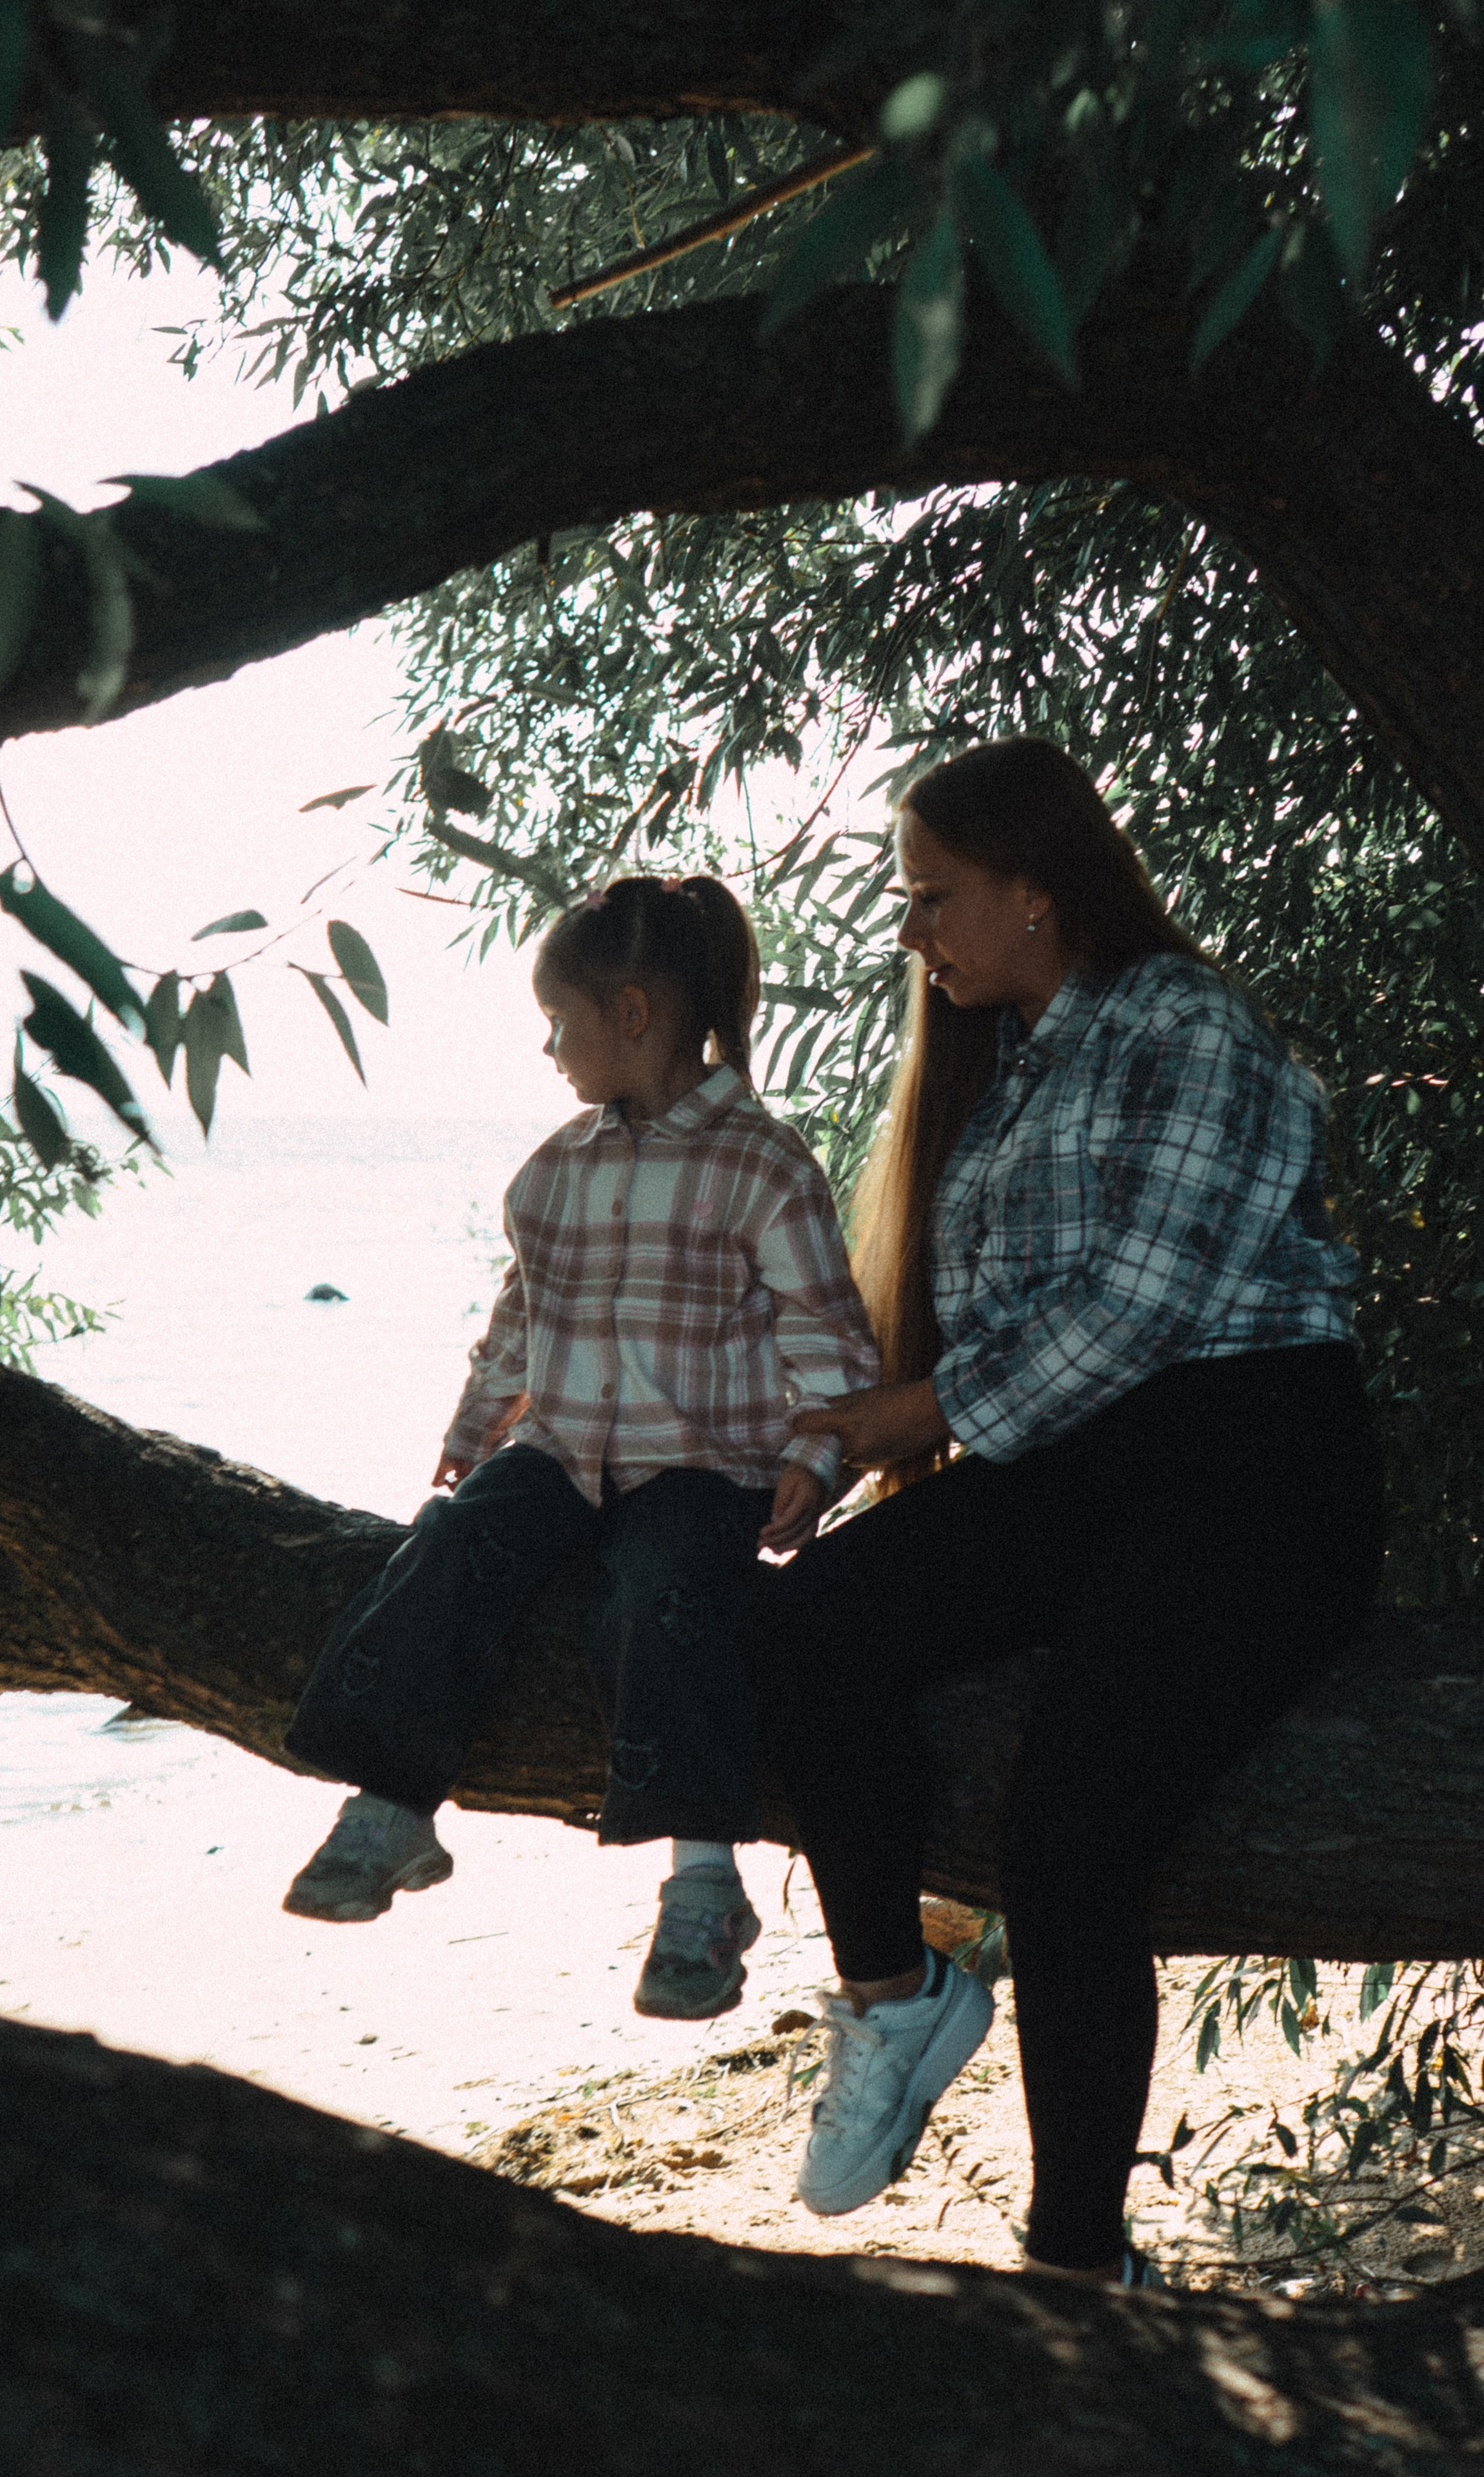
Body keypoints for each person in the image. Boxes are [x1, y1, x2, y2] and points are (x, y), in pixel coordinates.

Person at [756, 737, 1383, 2284]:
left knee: (1071, 1822)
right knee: (804, 1625)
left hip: (1251, 1462)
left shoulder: (1190, 1027)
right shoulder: (1019, 1052)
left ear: (1035, 891)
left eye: (933, 898)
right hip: (1070, 1458)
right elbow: (981, 1337)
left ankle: (1077, 2258)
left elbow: (1142, 1300)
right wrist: (839, 1444)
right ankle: (898, 2000)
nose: (913, 933)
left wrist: (936, 1415)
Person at [281, 873, 880, 2020]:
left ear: (635, 1013)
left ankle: (704, 1882)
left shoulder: (762, 1165)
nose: (550, 1048)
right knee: (453, 1546)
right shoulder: (556, 1171)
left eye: (561, 1021)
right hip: (559, 1454)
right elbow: (519, 1322)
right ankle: (394, 1802)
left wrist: (816, 1463)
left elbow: (830, 1343)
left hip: (702, 1465)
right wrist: (469, 1438)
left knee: (660, 1599)